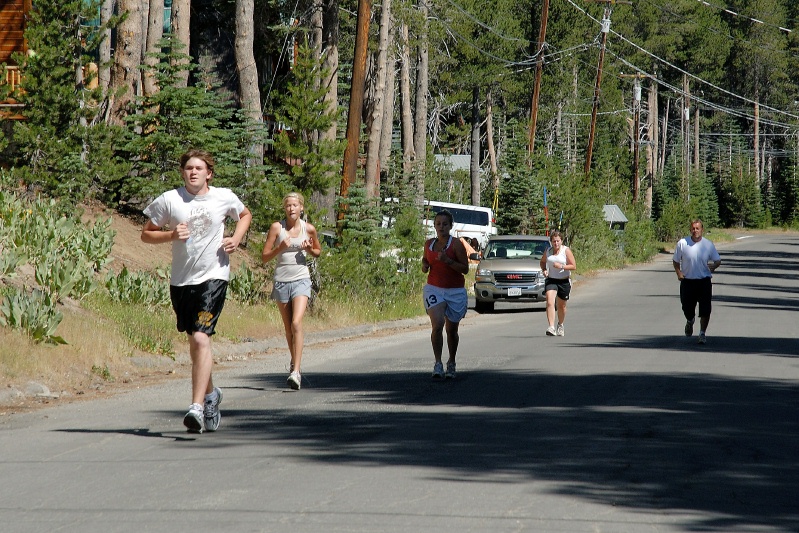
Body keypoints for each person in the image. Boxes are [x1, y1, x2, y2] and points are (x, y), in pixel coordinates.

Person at [141, 149, 252, 433]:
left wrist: (236, 238)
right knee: (195, 343)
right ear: (182, 172)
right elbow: (146, 233)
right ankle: (212, 394)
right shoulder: (170, 199)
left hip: (213, 277)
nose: (193, 172)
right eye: (188, 168)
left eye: (199, 168)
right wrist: (170, 234)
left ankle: (196, 407)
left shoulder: (223, 196)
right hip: (181, 281)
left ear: (209, 173)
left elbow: (245, 214)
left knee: (202, 338)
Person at [262, 192, 322, 390]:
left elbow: (317, 252)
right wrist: (280, 247)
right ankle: (293, 361)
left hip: (301, 279)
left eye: (295, 205)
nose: (291, 209)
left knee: (297, 322)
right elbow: (265, 257)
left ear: (301, 208)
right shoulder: (276, 228)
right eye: (288, 205)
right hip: (281, 280)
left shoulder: (309, 229)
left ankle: (296, 371)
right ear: (284, 208)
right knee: (288, 328)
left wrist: (308, 249)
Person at [421, 210, 469, 379]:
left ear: (450, 226)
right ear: (434, 226)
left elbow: (465, 269)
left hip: (455, 290)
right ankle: (437, 363)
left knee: (451, 329)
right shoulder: (429, 244)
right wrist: (425, 265)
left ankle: (452, 362)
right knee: (438, 323)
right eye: (438, 224)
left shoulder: (456, 244)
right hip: (434, 288)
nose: (441, 227)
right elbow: (425, 261)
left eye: (445, 224)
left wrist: (448, 261)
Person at [672, 219, 721, 344]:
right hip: (687, 281)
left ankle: (702, 333)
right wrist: (679, 273)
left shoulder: (708, 244)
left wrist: (714, 266)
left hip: (704, 281)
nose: (695, 231)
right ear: (690, 230)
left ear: (702, 230)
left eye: (697, 228)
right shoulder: (683, 243)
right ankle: (690, 320)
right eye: (693, 228)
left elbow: (717, 260)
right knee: (686, 307)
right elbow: (676, 260)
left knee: (705, 309)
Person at [540, 230, 576, 336]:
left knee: (562, 306)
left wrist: (562, 266)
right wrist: (544, 270)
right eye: (554, 241)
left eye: (558, 241)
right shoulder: (548, 251)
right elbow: (542, 262)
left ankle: (560, 324)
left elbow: (573, 266)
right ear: (551, 242)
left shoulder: (566, 251)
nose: (556, 243)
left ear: (561, 241)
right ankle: (551, 327)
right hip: (551, 279)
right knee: (550, 302)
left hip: (564, 280)